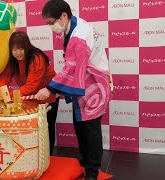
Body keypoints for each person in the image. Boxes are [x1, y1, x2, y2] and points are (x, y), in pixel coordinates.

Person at [36, 1, 113, 180]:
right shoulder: (74, 26)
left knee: (91, 129)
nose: (50, 27)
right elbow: (72, 66)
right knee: (80, 126)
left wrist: (50, 89)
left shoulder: (78, 36)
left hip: (93, 85)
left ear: (63, 16)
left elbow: (71, 67)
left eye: (50, 22)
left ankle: (92, 172)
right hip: (84, 84)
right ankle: (86, 164)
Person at [0, 31, 59, 156]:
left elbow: (31, 86)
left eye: (20, 49)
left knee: (46, 127)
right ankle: (32, 156)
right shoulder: (12, 60)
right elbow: (5, 76)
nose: (17, 53)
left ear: (27, 47)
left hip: (47, 95)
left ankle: (47, 157)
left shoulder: (37, 58)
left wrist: (9, 94)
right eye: (14, 50)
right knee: (31, 128)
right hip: (29, 97)